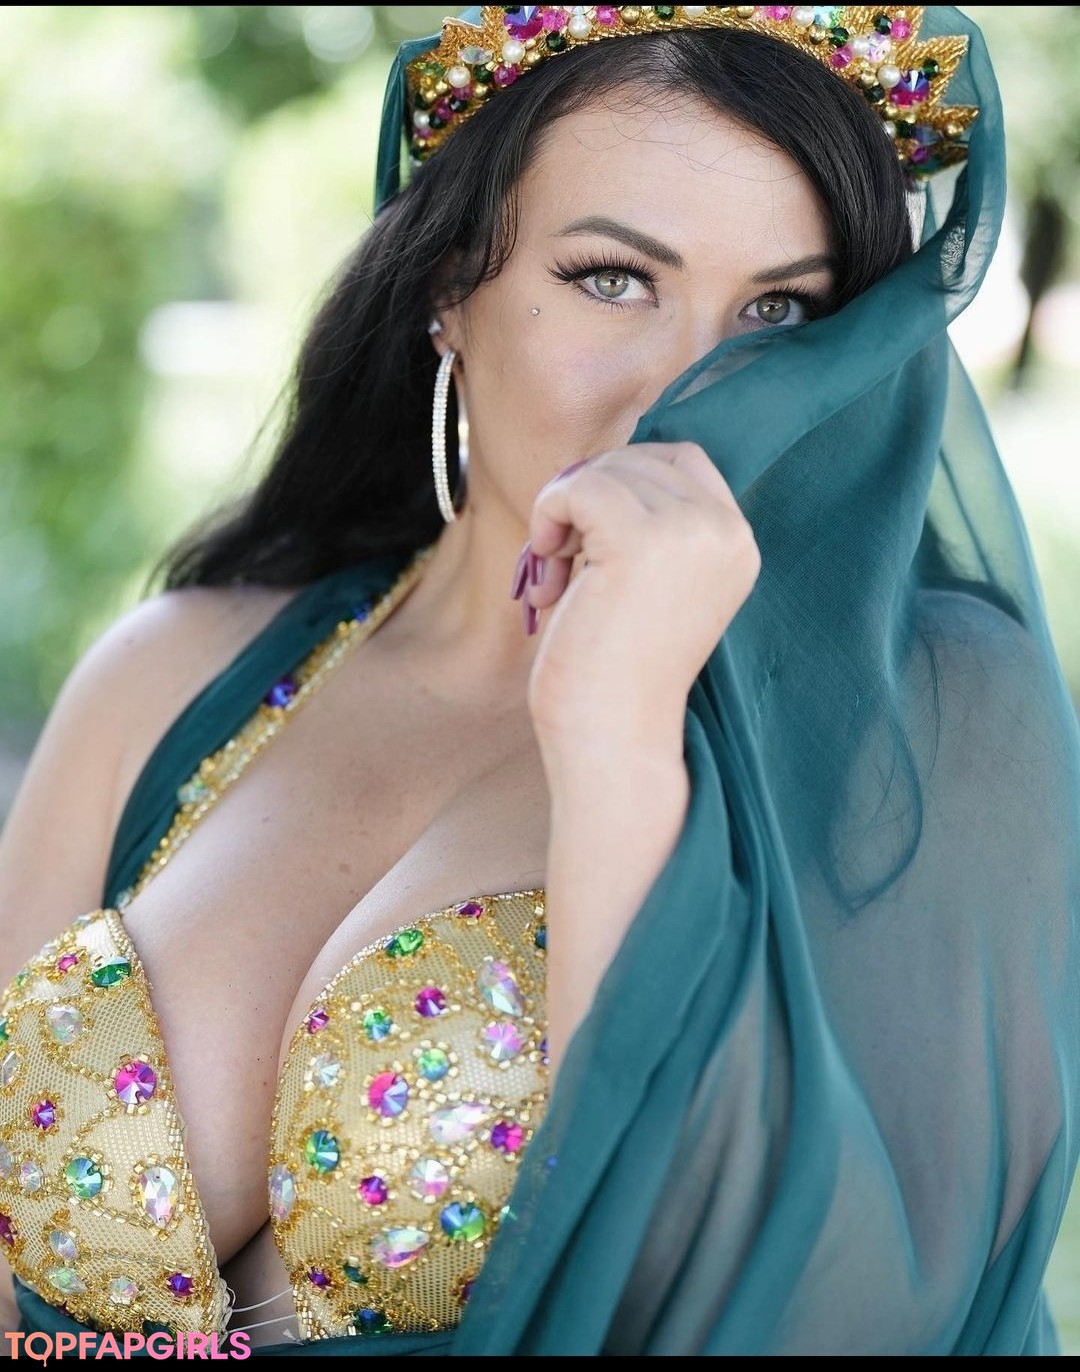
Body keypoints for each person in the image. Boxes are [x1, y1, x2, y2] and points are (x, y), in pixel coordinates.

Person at [1, 2, 1078, 1357]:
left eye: (781, 311)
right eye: (614, 278)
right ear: (450, 288)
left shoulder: (930, 728)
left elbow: (804, 1318)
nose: (692, 385)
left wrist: (620, 739)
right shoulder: (169, 671)